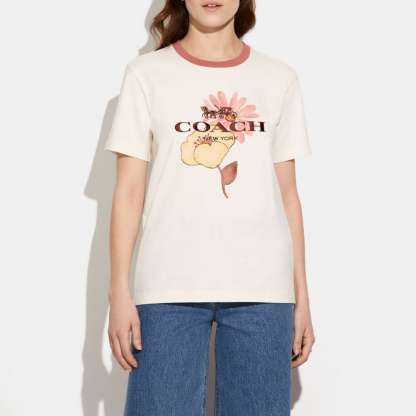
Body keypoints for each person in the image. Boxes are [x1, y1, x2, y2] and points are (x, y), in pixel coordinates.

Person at [105, 1, 315, 414]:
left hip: (264, 289)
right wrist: (119, 292)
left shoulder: (278, 78)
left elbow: (288, 195)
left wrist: (302, 297)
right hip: (166, 286)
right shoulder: (146, 75)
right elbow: (128, 192)